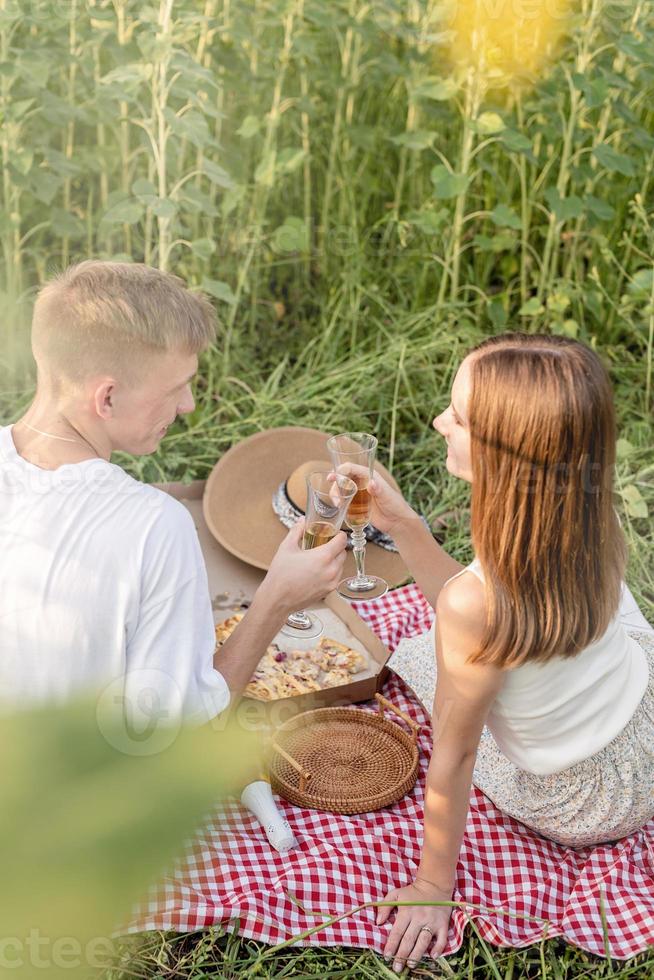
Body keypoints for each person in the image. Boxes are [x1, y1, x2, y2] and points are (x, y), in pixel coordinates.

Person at [335, 333, 654, 972]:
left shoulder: (475, 606)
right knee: (445, 643)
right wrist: (406, 527)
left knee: (420, 655)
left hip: (584, 798)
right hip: (643, 728)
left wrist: (433, 886)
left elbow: (455, 754)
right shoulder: (592, 516)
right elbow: (479, 607)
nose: (438, 422)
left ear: (505, 453)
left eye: (458, 417)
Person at [0, 260, 347, 727]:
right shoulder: (153, 524)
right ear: (106, 398)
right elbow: (177, 729)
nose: (188, 405)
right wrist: (277, 598)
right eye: (176, 388)